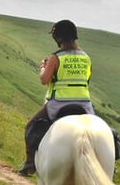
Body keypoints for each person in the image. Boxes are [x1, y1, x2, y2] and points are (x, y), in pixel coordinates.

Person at [17, 19, 95, 176]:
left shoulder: (56, 57)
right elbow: (87, 80)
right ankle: (110, 166)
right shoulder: (86, 57)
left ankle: (30, 164)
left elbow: (44, 80)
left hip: (59, 103)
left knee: (30, 126)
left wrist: (43, 68)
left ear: (58, 38)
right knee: (102, 131)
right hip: (85, 104)